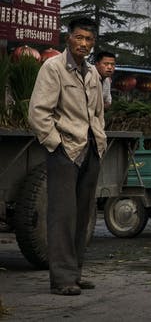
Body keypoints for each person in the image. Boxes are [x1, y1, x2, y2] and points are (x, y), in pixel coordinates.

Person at [28, 17, 106, 296]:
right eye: (79, 38)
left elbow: (98, 112)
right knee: (62, 216)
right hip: (65, 151)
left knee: (83, 216)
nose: (84, 44)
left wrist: (100, 139)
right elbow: (38, 112)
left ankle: (75, 273)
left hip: (91, 150)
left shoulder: (92, 74)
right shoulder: (54, 68)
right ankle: (62, 279)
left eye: (89, 40)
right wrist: (55, 144)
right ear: (68, 38)